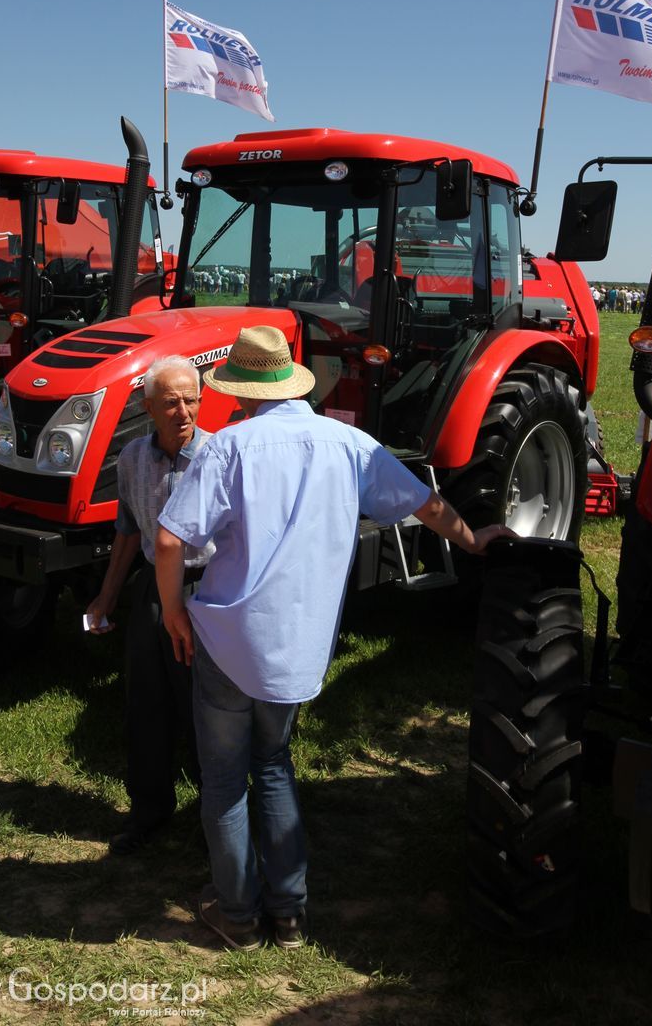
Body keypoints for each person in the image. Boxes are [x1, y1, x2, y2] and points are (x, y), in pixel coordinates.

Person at [154, 326, 511, 950]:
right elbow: (426, 506)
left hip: (225, 638)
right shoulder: (349, 442)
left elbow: (167, 539)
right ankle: (288, 915)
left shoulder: (229, 447)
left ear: (241, 392)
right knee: (272, 764)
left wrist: (173, 613)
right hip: (296, 641)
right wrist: (473, 540)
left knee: (222, 779)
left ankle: (237, 915)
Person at [86, 354, 213, 855]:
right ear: (148, 408)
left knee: (202, 706)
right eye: (171, 402)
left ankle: (217, 820)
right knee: (146, 702)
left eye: (191, 400)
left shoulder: (218, 456)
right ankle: (150, 812)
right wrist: (108, 595)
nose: (183, 411)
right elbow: (127, 530)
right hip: (151, 591)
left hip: (205, 590)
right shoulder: (133, 456)